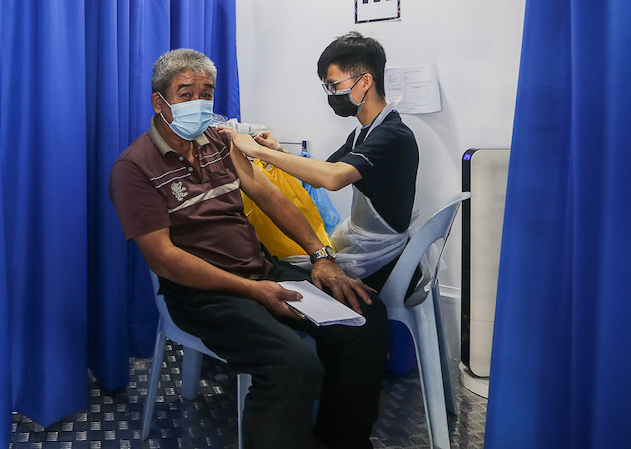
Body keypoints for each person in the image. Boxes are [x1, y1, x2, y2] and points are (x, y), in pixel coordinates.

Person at [109, 48, 388, 449]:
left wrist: (320, 257)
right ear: (160, 101)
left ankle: (340, 441)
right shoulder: (134, 168)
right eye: (186, 93)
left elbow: (271, 197)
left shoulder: (220, 144)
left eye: (207, 93)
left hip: (262, 271)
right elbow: (164, 258)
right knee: (292, 365)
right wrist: (255, 291)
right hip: (203, 295)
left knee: (364, 316)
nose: (199, 103)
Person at [222, 31, 419, 292]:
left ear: (365, 81)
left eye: (334, 85)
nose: (331, 94)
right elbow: (320, 173)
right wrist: (279, 150)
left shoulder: (392, 136)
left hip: (383, 260)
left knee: (285, 276)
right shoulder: (364, 131)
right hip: (367, 244)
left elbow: (333, 178)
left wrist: (259, 153)